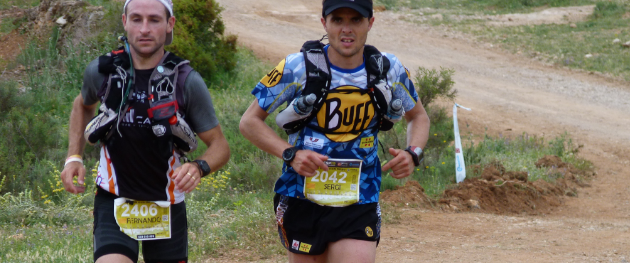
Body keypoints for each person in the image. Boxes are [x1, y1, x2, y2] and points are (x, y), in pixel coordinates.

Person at [239, 0, 430, 262]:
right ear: (323, 23)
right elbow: (249, 122)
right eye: (338, 20)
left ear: (370, 23)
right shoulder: (297, 67)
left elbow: (418, 117)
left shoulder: (388, 69)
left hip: (359, 198)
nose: (346, 29)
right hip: (301, 196)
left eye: (356, 20)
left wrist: (413, 153)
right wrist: (291, 154)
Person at [60, 0, 230, 262]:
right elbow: (82, 105)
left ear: (169, 24)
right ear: (125, 21)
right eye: (137, 19)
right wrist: (74, 157)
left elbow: (219, 145)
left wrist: (199, 167)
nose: (145, 29)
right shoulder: (102, 71)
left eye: (154, 20)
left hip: (167, 204)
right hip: (113, 199)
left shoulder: (186, 80)